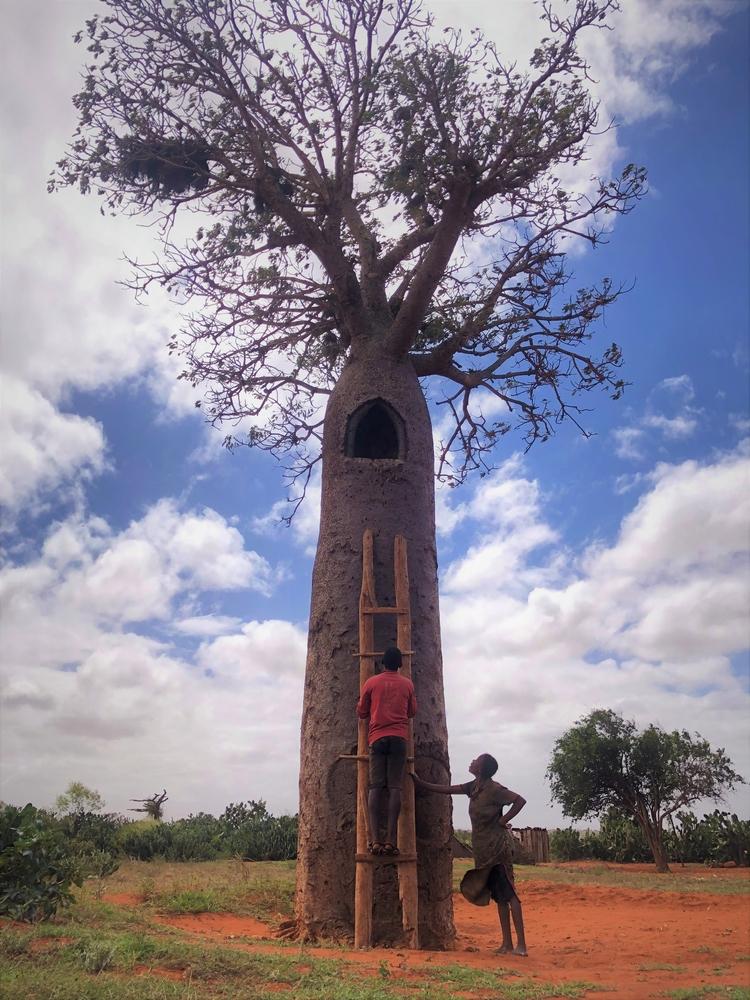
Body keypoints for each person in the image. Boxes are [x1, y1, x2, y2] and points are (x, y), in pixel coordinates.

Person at [413, 753, 528, 955]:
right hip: (483, 850)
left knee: (510, 895)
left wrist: (503, 820)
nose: (472, 761)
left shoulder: (495, 790)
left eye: (476, 760)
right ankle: (507, 944)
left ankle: (522, 946)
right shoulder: (473, 787)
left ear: (482, 768)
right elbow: (447, 789)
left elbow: (520, 800)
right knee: (499, 897)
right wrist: (420, 783)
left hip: (497, 850)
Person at [356, 645, 417, 856]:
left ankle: (374, 841)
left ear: (382, 663)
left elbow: (362, 712)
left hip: (377, 739)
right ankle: (391, 841)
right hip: (399, 739)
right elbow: (412, 712)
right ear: (400, 664)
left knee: (375, 788)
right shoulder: (407, 684)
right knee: (395, 788)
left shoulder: (371, 683)